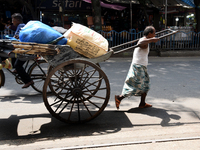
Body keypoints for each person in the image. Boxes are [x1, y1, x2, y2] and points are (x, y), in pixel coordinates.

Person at [115, 26, 160, 109]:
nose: (155, 34)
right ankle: (119, 97)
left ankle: (142, 103)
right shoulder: (143, 40)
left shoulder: (146, 40)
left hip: (142, 66)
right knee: (136, 85)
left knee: (145, 85)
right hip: (138, 66)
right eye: (154, 33)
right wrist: (152, 40)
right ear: (149, 34)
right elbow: (141, 44)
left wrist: (151, 39)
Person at [11, 13, 34, 88]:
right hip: (25, 48)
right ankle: (17, 70)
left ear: (18, 20)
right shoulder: (22, 26)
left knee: (18, 65)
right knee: (13, 55)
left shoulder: (21, 26)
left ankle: (28, 81)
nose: (12, 22)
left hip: (27, 50)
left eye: (13, 20)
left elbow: (17, 37)